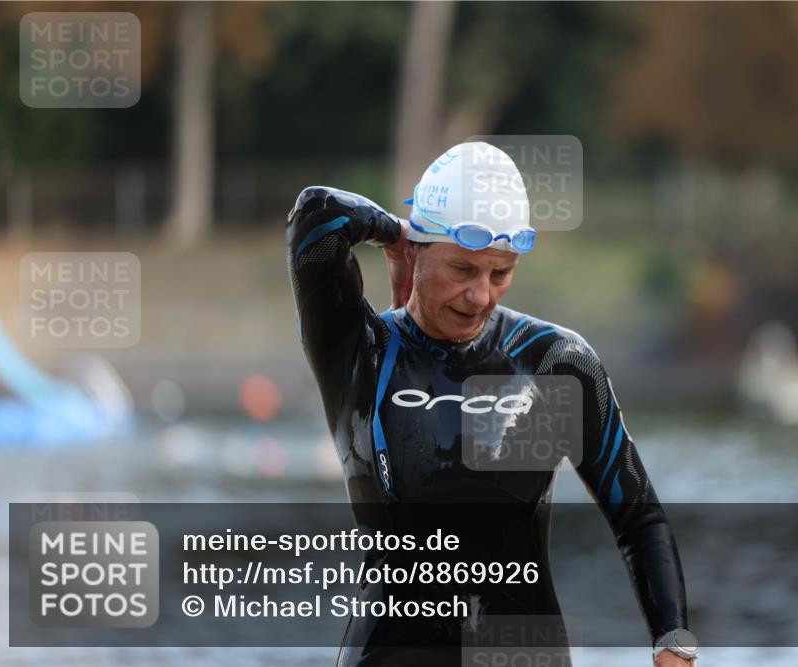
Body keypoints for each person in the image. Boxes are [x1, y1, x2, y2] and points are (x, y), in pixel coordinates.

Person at [286, 142, 697, 666]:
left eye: (499, 273)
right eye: (462, 269)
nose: (481, 295)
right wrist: (393, 233)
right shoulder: (360, 353)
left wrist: (673, 644)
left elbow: (640, 520)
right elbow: (316, 214)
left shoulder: (552, 364)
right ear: (417, 252)